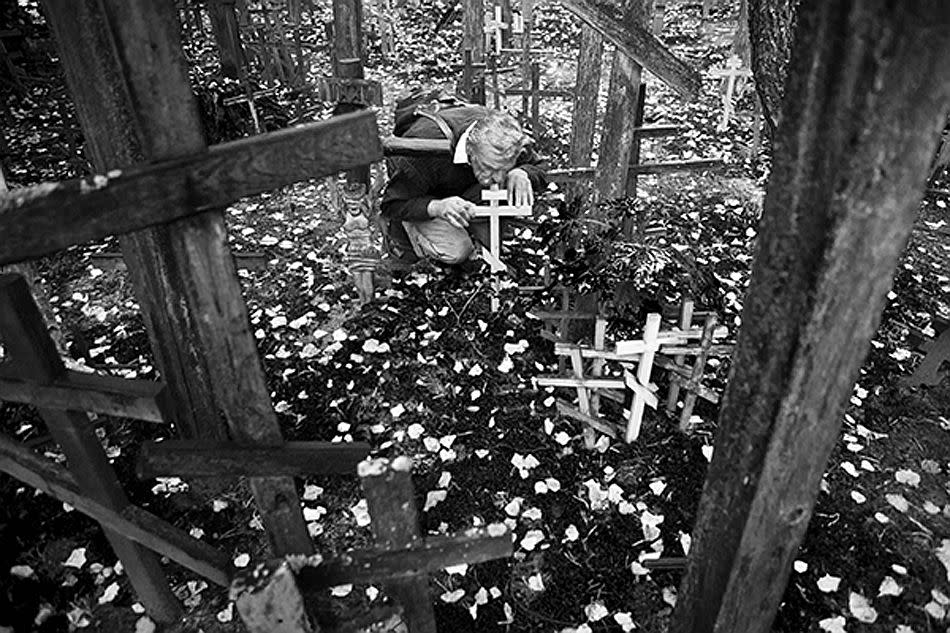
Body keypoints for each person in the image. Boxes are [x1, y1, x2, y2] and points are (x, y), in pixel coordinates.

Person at [381, 105, 546, 267]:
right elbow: (392, 204)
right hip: (422, 193)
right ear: (470, 150)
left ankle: (479, 234)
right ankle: (408, 233)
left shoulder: (507, 136)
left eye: (505, 169)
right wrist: (438, 207)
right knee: (458, 250)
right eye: (488, 168)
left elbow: (541, 167)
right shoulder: (425, 151)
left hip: (461, 187)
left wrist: (523, 172)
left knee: (504, 186)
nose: (498, 178)